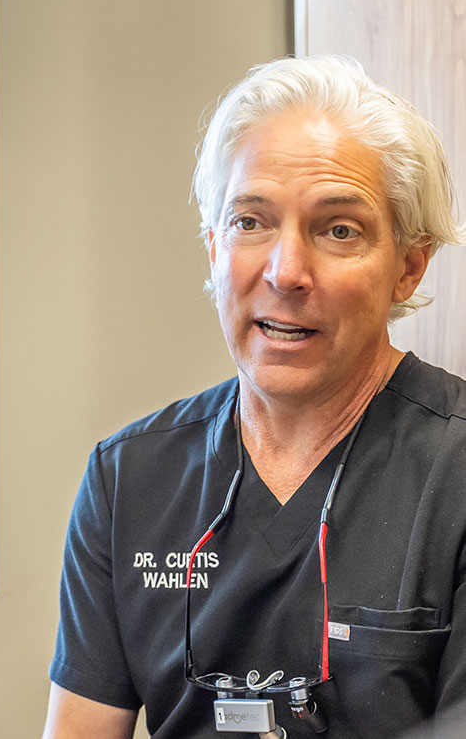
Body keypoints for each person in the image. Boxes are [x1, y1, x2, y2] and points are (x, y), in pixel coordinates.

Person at [43, 55, 466, 738]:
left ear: (406, 265)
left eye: (338, 229)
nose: (285, 271)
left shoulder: (450, 471)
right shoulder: (126, 479)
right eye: (250, 221)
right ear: (213, 246)